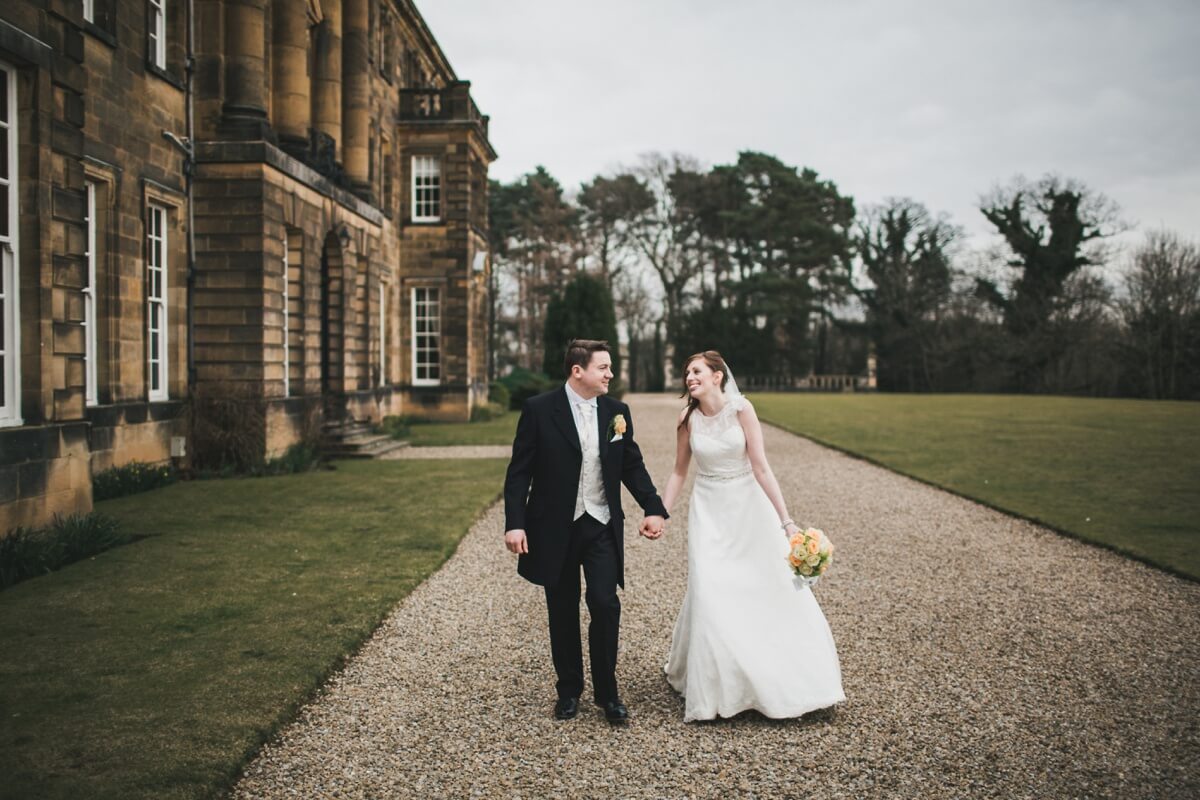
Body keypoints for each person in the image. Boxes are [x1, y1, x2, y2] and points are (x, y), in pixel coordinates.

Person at [661, 350, 845, 721]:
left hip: (748, 507)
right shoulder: (686, 419)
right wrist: (659, 514)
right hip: (708, 511)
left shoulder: (742, 410)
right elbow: (679, 472)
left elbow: (761, 468)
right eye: (687, 373)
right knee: (711, 587)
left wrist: (786, 522)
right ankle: (717, 689)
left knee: (761, 585)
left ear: (717, 376)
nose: (689, 377)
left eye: (697, 371)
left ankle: (776, 679)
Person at [503, 339, 668, 723]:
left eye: (610, 368)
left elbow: (632, 465)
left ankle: (608, 695)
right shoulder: (539, 410)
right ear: (578, 371)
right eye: (603, 368)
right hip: (553, 528)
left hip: (601, 525)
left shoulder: (616, 412)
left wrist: (653, 507)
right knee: (562, 610)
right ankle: (569, 691)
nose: (610, 374)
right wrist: (515, 522)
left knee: (605, 603)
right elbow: (519, 472)